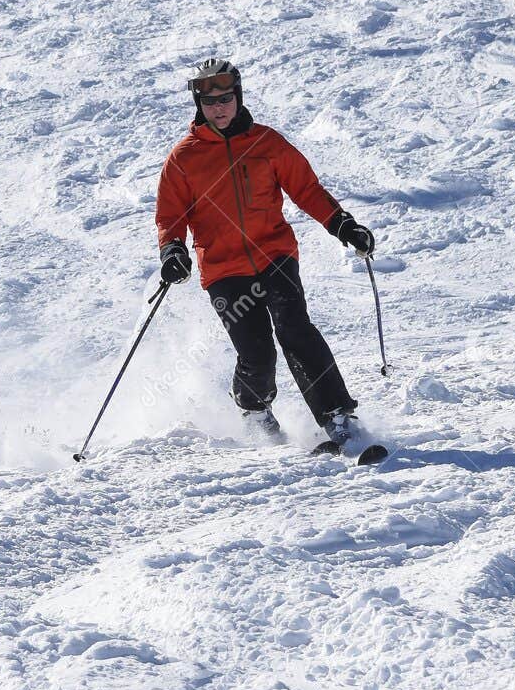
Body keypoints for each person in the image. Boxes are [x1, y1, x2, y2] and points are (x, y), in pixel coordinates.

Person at [155, 57, 376, 447]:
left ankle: (337, 417)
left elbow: (305, 189)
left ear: (238, 97)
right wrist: (173, 251)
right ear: (198, 106)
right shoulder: (184, 158)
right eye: (210, 103)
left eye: (225, 99)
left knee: (296, 329)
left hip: (275, 255)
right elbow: (171, 215)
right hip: (224, 269)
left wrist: (341, 224)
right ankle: (254, 409)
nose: (219, 109)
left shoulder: (267, 143)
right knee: (256, 350)